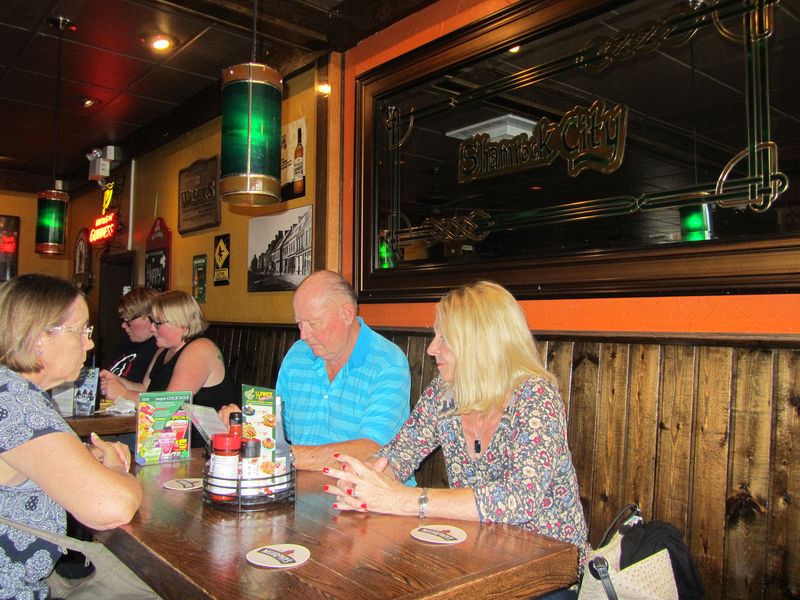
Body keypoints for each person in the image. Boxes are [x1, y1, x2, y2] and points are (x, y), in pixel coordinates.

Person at [322, 281, 588, 596]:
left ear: (483, 343)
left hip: (547, 573)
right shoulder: (445, 392)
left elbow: (519, 499)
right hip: (476, 558)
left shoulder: (536, 396)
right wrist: (363, 480)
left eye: (445, 338)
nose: (432, 348)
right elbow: (398, 454)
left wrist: (406, 501)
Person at [0, 274, 142, 598]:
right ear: (39, 338)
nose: (90, 343)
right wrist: (118, 472)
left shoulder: (15, 391)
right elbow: (113, 506)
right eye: (82, 331)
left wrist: (83, 459)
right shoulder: (15, 402)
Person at [220, 270, 411, 471]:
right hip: (299, 487)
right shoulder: (297, 356)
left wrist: (285, 456)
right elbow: (278, 427)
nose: (303, 335)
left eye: (313, 323)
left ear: (347, 314)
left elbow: (372, 448)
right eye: (299, 324)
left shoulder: (387, 362)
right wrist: (246, 423)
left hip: (363, 495)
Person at [99, 291, 234, 444]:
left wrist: (123, 393)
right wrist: (118, 381)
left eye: (158, 323)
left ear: (182, 325)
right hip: (167, 439)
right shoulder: (165, 349)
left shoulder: (200, 349)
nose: (152, 329)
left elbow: (170, 404)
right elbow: (145, 389)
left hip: (199, 446)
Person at [105, 287, 159, 383]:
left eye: (128, 321)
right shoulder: (126, 342)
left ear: (149, 317)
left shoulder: (157, 349)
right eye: (122, 320)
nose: (123, 325)